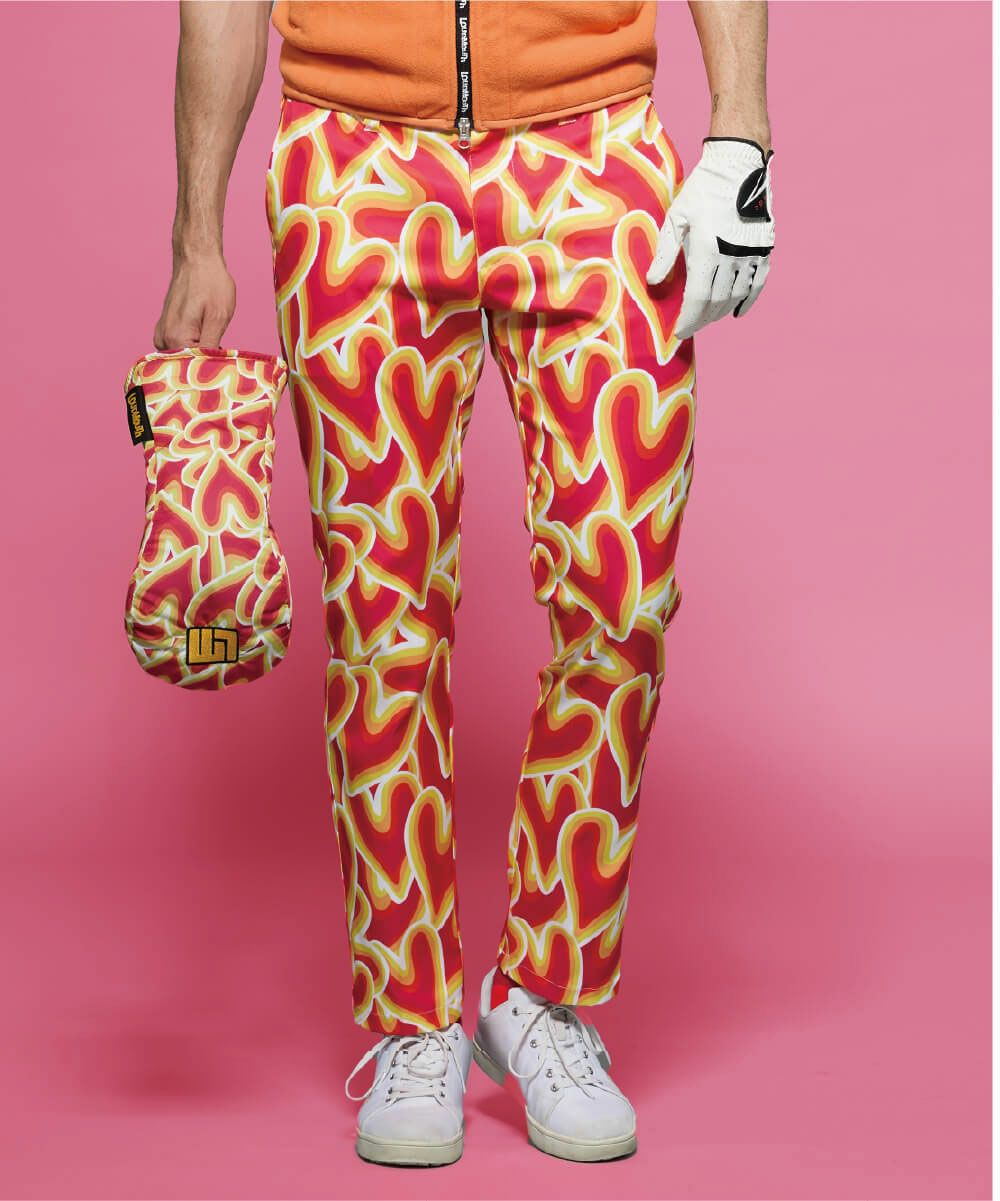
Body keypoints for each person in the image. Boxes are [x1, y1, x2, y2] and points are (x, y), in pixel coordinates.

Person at [154, 0, 774, 1168]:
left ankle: (542, 991)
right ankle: (413, 1015)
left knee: (622, 588)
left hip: (591, 150)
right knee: (378, 614)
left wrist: (739, 131)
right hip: (352, 168)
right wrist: (197, 234)